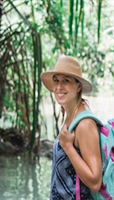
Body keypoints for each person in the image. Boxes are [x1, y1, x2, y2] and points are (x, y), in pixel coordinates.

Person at [41, 55, 102, 200]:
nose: (59, 86)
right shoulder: (70, 115)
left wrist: (68, 146)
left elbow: (95, 182)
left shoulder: (85, 123)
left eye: (66, 81)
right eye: (56, 80)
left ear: (78, 86)